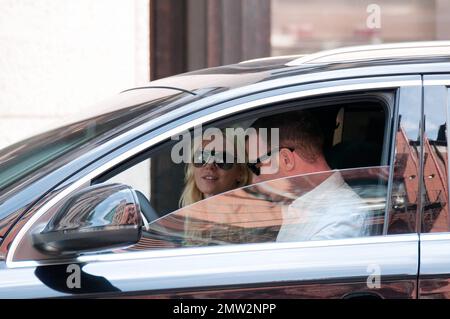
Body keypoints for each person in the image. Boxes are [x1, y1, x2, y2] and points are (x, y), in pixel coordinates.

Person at [247, 110, 370, 242]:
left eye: (256, 167)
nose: (254, 179)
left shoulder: (341, 219)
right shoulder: (297, 204)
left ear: (286, 159)